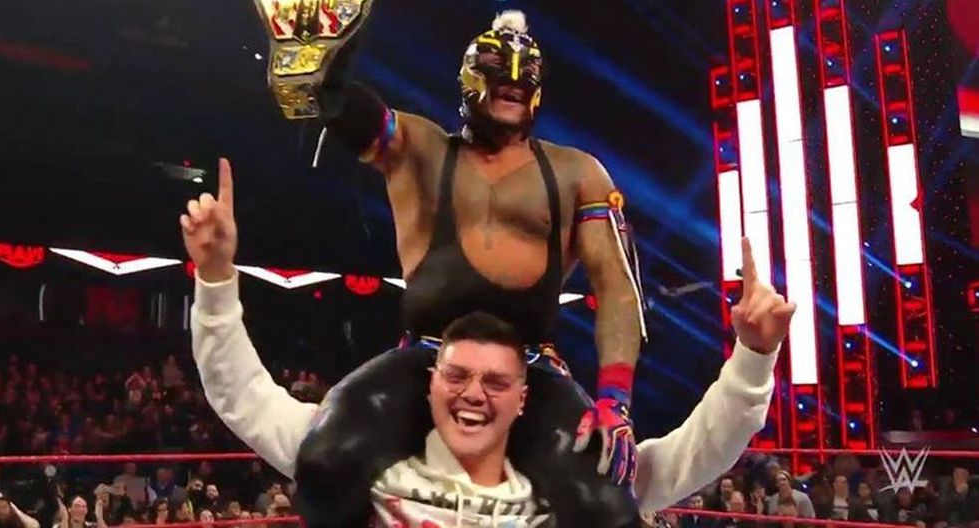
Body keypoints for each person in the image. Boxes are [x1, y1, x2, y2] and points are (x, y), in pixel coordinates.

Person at [182, 158, 796, 526]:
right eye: (458, 375)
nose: (473, 394)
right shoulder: (363, 451)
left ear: (524, 397)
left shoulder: (574, 472)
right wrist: (214, 276)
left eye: (495, 382)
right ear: (429, 382)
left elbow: (701, 452)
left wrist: (753, 357)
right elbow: (241, 394)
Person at [247, 6, 646, 525]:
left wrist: (615, 400)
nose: (513, 84)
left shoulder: (578, 173)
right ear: (469, 79)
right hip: (430, 358)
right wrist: (331, 50)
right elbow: (342, 105)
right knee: (326, 461)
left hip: (530, 367)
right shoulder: (423, 149)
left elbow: (617, 285)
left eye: (524, 78)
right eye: (498, 74)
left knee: (606, 506)